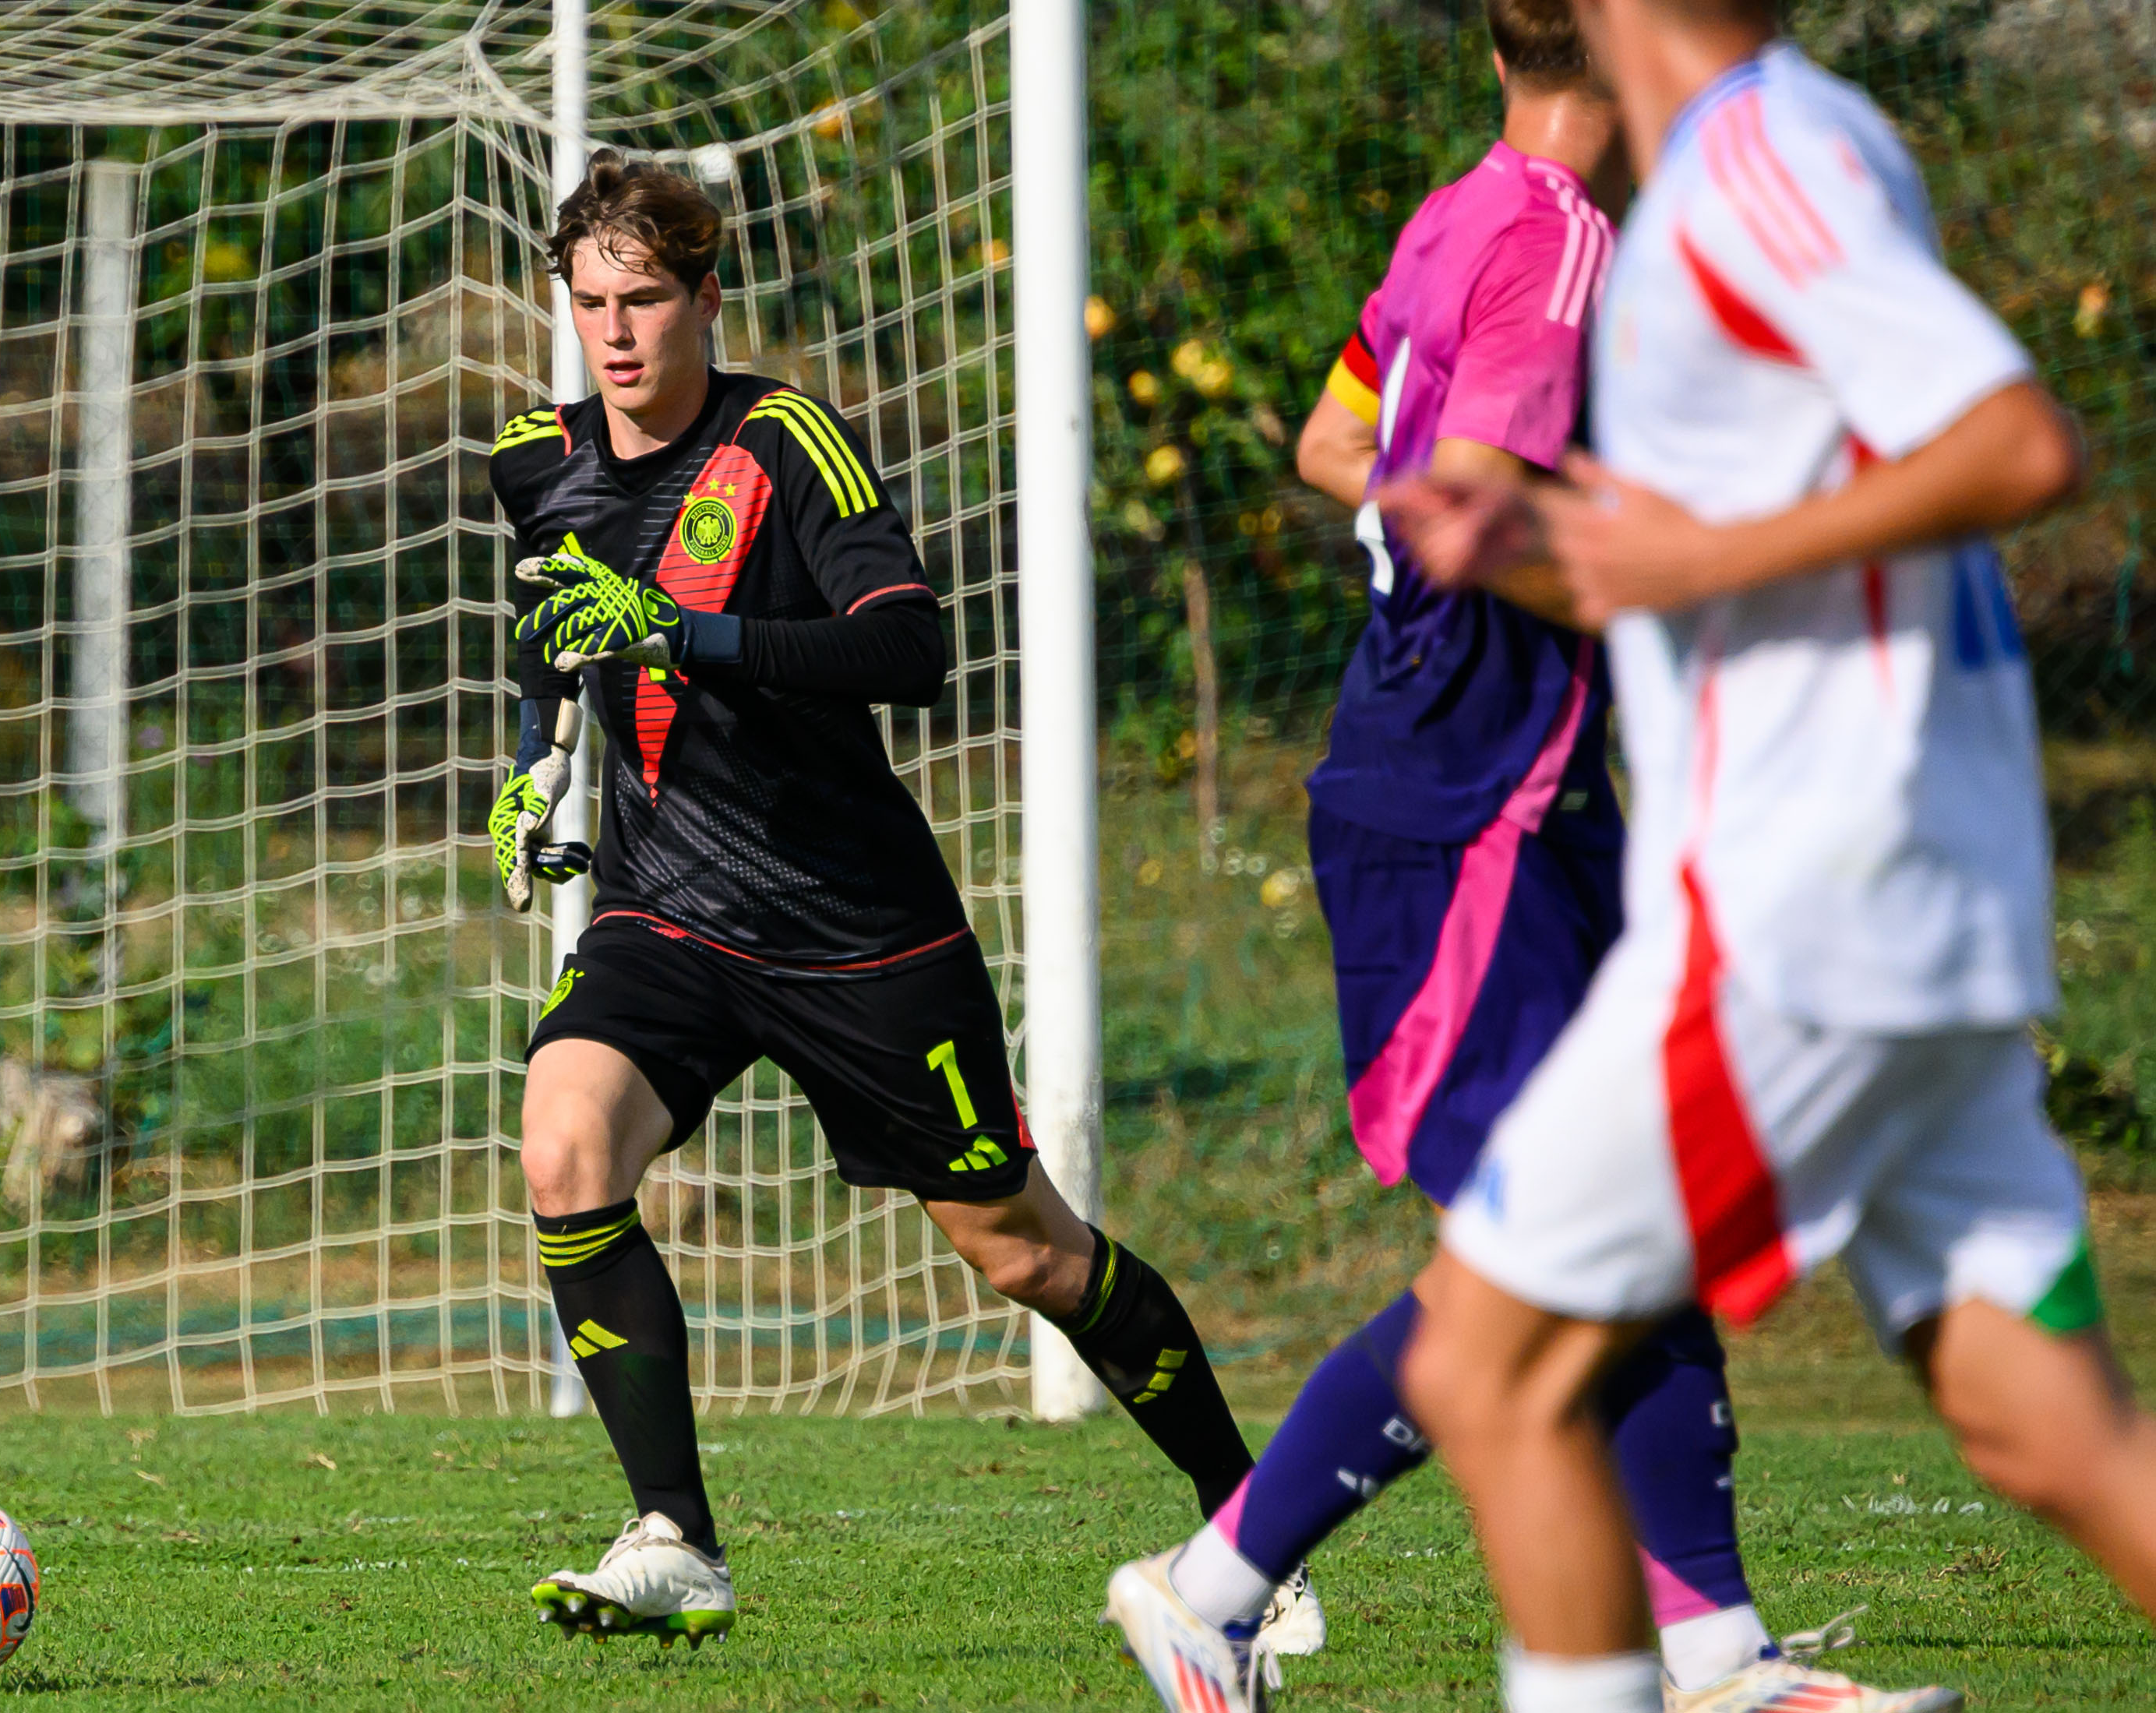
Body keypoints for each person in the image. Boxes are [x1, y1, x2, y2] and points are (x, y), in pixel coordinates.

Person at [1107, 8, 1953, 1710]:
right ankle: (1208, 1588)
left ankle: (1713, 1647)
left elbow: (1337, 446)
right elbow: (1471, 503)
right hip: (1461, 808)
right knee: (1544, 1254)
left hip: (1506, 798)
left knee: (1638, 1200)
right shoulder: (1561, 248)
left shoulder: (1456, 213)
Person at [1373, 4, 2156, 1711]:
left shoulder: (1750, 161)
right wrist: (1546, 550)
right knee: (2050, 1430)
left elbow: (2011, 440)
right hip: (1898, 905)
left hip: (1806, 905)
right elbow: (1739, 564)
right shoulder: (1776, 151)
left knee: (1488, 1369)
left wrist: (1684, 553)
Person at [486, 150, 1268, 1648]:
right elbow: (556, 614)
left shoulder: (785, 442)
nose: (617, 332)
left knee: (1022, 1248)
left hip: (855, 928)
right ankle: (678, 1540)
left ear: (708, 296)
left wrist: (689, 637)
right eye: (589, 302)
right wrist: (541, 763)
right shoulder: (536, 454)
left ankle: (1255, 1540)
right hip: (666, 911)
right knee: (564, 1138)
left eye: (645, 297)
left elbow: (910, 650)